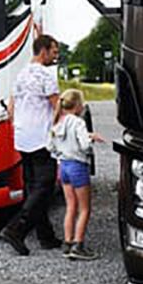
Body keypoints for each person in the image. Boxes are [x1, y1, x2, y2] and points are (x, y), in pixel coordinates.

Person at [0, 34, 63, 256]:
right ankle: (16, 229)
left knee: (32, 187)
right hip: (41, 137)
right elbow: (56, 107)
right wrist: (58, 130)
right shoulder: (46, 75)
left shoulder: (20, 74)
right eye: (54, 52)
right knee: (45, 186)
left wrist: (18, 124)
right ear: (43, 51)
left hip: (22, 136)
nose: (56, 56)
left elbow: (11, 108)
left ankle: (46, 236)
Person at [49, 89, 107, 260]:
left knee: (71, 206)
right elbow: (84, 146)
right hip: (78, 167)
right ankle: (78, 245)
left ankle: (67, 244)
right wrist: (89, 141)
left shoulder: (57, 121)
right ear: (77, 106)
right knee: (84, 209)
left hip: (64, 166)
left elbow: (50, 147)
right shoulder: (79, 122)